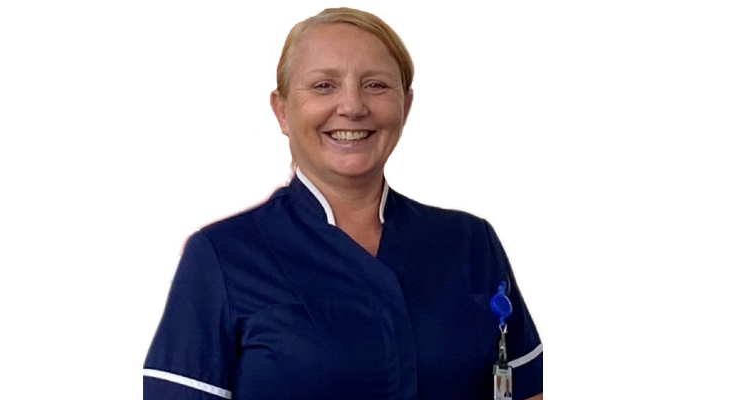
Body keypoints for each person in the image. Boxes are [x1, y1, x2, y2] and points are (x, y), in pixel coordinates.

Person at [143, 7, 543, 400]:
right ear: (282, 111)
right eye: (323, 86)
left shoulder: (471, 243)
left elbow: (525, 390)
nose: (352, 106)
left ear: (405, 105)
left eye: (376, 85)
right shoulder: (221, 257)